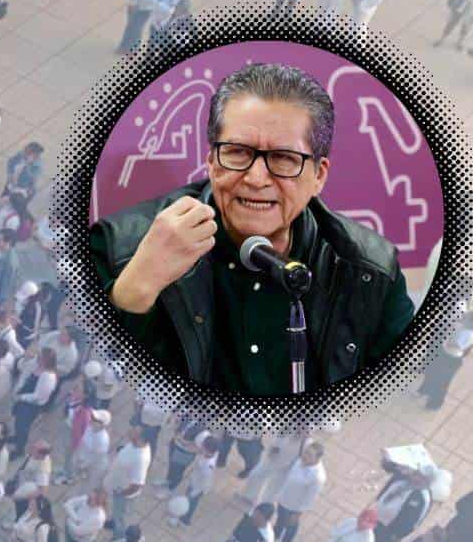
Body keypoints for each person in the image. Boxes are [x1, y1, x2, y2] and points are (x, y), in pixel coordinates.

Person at [89, 61, 416, 393]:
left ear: (319, 175)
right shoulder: (119, 247)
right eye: (237, 152)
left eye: (284, 158)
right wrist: (131, 293)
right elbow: (85, 374)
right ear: (212, 162)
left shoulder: (371, 268)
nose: (256, 179)